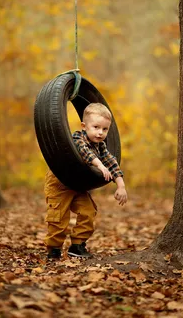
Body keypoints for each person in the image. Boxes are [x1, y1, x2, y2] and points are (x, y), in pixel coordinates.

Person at [44, 102, 128, 260]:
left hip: (78, 185)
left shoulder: (101, 146)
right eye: (96, 127)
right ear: (84, 126)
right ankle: (54, 248)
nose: (100, 133)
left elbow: (112, 163)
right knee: (58, 217)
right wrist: (99, 165)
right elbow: (84, 152)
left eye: (105, 129)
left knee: (88, 212)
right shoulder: (77, 137)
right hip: (60, 182)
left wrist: (121, 185)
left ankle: (77, 245)